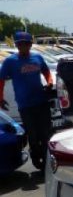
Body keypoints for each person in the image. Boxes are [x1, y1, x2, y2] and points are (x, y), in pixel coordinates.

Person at [0, 31, 54, 170]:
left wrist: (49, 82)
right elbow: (1, 80)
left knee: (45, 133)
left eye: (26, 44)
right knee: (32, 134)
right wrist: (0, 98)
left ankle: (47, 161)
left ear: (30, 45)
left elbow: (46, 72)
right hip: (25, 104)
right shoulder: (10, 61)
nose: (23, 47)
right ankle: (36, 157)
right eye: (20, 44)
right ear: (17, 46)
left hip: (41, 101)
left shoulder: (37, 58)